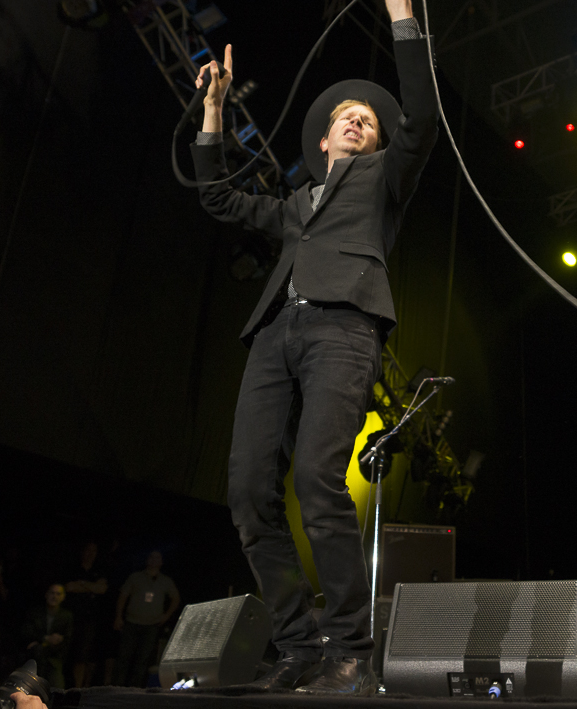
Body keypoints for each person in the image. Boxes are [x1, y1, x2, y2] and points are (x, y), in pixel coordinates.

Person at [187, 0, 437, 696]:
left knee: (317, 482)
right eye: (345, 117)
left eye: (368, 120)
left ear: (377, 141)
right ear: (323, 141)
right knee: (247, 493)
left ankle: (350, 651)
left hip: (344, 330)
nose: (356, 121)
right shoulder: (296, 203)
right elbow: (219, 200)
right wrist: (213, 112)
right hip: (275, 334)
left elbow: (421, 116)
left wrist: (402, 17)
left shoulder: (386, 178)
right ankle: (298, 646)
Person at [113, 550, 180, 687]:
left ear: (161, 562)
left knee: (142, 660)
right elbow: (123, 596)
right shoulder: (135, 577)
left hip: (151, 625)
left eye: (157, 558)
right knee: (124, 657)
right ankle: (117, 687)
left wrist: (166, 616)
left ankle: (135, 689)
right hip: (131, 622)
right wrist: (118, 617)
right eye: (152, 557)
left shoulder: (165, 581)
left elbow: (176, 598)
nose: (154, 560)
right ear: (147, 559)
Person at [62, 540, 108, 687]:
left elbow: (102, 589)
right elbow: (69, 587)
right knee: (66, 652)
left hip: (89, 619)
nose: (90, 554)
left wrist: (81, 584)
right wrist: (91, 586)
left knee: (82, 656)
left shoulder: (99, 570)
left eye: (94, 551)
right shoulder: (72, 569)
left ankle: (78, 688)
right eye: (88, 550)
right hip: (70, 616)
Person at [18, 584, 73, 689]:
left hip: (55, 657)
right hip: (34, 657)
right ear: (46, 594)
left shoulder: (66, 616)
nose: (54, 596)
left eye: (58, 594)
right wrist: (45, 639)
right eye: (52, 593)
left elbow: (67, 639)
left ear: (63, 597)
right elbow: (27, 632)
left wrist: (52, 643)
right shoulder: (36, 613)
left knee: (57, 686)